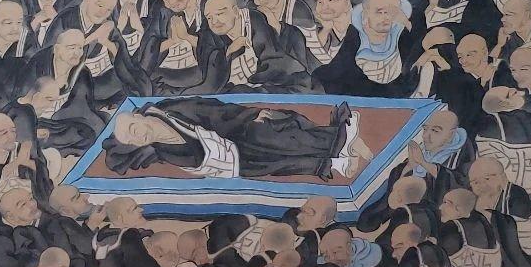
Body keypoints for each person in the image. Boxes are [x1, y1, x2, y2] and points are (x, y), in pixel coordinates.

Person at [104, 99, 374, 180]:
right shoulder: (161, 151)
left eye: (134, 128)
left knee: (278, 139)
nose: (138, 135)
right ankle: (335, 163)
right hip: (229, 161)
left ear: (140, 116)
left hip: (233, 131)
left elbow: (210, 111)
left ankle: (341, 138)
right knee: (277, 165)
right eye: (132, 139)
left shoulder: (171, 110)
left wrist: (248, 116)